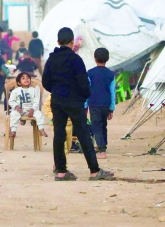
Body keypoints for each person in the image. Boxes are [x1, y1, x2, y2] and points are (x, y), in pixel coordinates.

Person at [42, 27, 113, 181]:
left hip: (57, 101)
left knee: (59, 134)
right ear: (72, 42)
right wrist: (83, 96)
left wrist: (57, 90)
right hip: (74, 102)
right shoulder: (76, 60)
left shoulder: (51, 59)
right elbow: (83, 83)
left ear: (58, 41)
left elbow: (45, 82)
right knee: (83, 135)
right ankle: (94, 171)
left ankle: (61, 171)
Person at [87, 47, 115, 159]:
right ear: (107, 59)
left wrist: (84, 105)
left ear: (94, 58)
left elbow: (86, 90)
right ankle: (103, 146)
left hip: (94, 103)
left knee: (96, 126)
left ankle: (102, 151)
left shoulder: (90, 73)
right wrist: (111, 108)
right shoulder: (110, 74)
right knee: (103, 125)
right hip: (106, 104)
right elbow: (113, 92)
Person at [8, 72, 47, 139]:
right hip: (19, 110)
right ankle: (13, 130)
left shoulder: (34, 90)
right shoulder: (15, 91)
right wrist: (16, 106)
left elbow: (36, 101)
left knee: (39, 114)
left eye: (28, 78)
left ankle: (41, 129)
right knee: (14, 115)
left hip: (31, 109)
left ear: (30, 81)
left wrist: (32, 109)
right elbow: (11, 101)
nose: (26, 79)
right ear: (19, 83)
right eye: (23, 78)